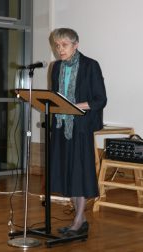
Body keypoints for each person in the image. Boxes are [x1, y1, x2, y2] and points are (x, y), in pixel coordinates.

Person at [49, 28, 107, 237]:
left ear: (76, 45)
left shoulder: (90, 66)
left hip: (80, 128)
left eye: (64, 45)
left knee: (79, 173)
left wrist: (74, 105)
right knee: (67, 171)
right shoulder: (56, 68)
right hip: (60, 127)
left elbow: (100, 100)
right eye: (57, 45)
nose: (60, 49)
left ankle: (78, 220)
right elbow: (54, 96)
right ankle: (79, 219)